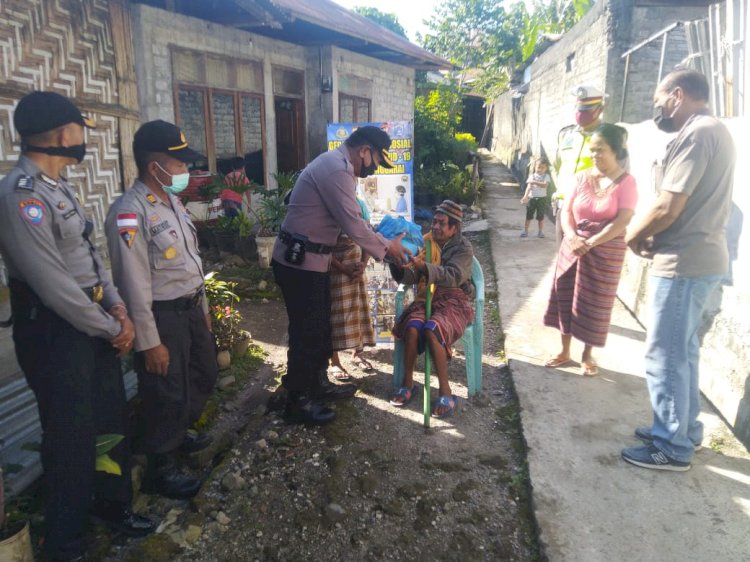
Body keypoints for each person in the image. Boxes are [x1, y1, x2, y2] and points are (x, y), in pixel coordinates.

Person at [0, 91, 154, 561]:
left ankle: (112, 506)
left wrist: (119, 308)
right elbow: (53, 286)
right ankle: (65, 543)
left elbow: (89, 259)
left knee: (110, 418)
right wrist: (110, 327)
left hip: (95, 320)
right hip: (55, 331)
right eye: (80, 129)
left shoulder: (59, 187)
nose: (84, 138)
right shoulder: (20, 195)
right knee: (69, 434)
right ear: (65, 134)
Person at [622, 69, 735, 471]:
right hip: (700, 259)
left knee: (664, 354)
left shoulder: (697, 133)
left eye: (660, 100)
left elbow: (669, 205)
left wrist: (632, 235)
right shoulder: (713, 131)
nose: (658, 108)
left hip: (685, 264)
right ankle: (683, 429)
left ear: (678, 94)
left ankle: (671, 446)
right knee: (683, 352)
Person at [105, 120, 218, 498]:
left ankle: (177, 431)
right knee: (165, 389)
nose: (185, 171)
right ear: (156, 165)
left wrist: (202, 309)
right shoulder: (129, 211)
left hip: (189, 309)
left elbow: (191, 261)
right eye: (180, 164)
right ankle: (161, 467)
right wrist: (149, 341)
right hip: (161, 315)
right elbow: (131, 282)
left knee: (203, 371)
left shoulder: (172, 203)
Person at [271, 125, 410, 426]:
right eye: (374, 161)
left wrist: (383, 245)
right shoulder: (336, 170)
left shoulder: (339, 167)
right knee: (306, 333)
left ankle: (317, 384)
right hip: (298, 265)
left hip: (314, 262)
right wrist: (388, 251)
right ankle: (298, 401)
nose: (373, 169)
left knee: (321, 328)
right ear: (364, 151)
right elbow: (353, 225)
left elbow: (357, 220)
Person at [543, 124, 637, 377]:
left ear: (616, 150)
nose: (595, 155)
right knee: (564, 295)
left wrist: (592, 242)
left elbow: (622, 220)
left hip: (605, 250)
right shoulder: (582, 176)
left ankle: (587, 355)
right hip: (573, 246)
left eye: (601, 150)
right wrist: (572, 236)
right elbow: (567, 211)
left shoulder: (626, 183)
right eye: (593, 150)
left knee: (594, 304)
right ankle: (564, 351)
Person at [388, 200, 475, 419]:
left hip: (454, 299)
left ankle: (446, 392)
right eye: (434, 222)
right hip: (426, 297)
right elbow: (412, 277)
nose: (434, 226)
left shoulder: (463, 248)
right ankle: (408, 384)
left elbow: (453, 276)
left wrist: (423, 267)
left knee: (433, 329)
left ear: (453, 228)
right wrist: (396, 262)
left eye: (441, 223)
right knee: (413, 326)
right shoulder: (425, 243)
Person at [328, 196, 376, 380]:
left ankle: (357, 353)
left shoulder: (360, 205)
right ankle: (334, 361)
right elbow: (323, 247)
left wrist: (363, 263)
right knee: (335, 314)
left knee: (359, 311)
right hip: (336, 270)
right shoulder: (330, 204)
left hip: (356, 271)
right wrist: (344, 268)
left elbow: (368, 237)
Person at [552, 85, 607, 246]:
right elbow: (558, 166)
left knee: (586, 265)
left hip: (591, 214)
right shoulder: (567, 135)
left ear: (600, 109)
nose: (581, 113)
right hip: (563, 208)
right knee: (562, 261)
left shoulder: (609, 137)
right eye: (579, 108)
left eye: (587, 109)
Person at [520, 158, 551, 238]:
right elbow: (528, 187)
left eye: (542, 167)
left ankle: (540, 232)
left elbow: (545, 185)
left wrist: (534, 182)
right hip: (532, 198)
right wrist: (525, 197)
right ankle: (525, 231)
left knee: (541, 216)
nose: (540, 169)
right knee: (529, 215)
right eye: (538, 167)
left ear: (546, 168)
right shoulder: (532, 176)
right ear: (535, 167)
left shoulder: (546, 176)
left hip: (542, 199)